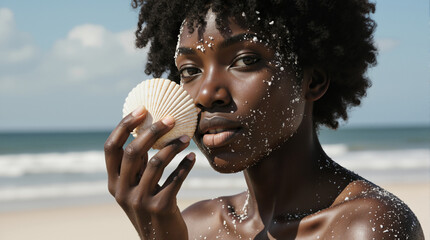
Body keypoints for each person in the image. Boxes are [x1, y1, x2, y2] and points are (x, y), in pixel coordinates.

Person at [104, 0, 424, 239]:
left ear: (311, 81)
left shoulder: (366, 226)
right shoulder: (195, 225)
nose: (206, 94)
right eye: (190, 71)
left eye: (245, 60)